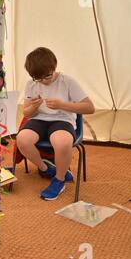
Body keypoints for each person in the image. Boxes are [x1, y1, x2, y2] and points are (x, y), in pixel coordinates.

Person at [16, 47, 95, 200]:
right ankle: (46, 168)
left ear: (54, 67)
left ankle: (59, 180)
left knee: (62, 142)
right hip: (38, 119)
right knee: (22, 139)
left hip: (62, 119)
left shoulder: (67, 81)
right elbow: (26, 113)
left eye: (47, 76)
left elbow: (90, 108)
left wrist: (62, 105)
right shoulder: (31, 84)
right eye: (38, 79)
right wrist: (34, 106)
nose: (44, 81)